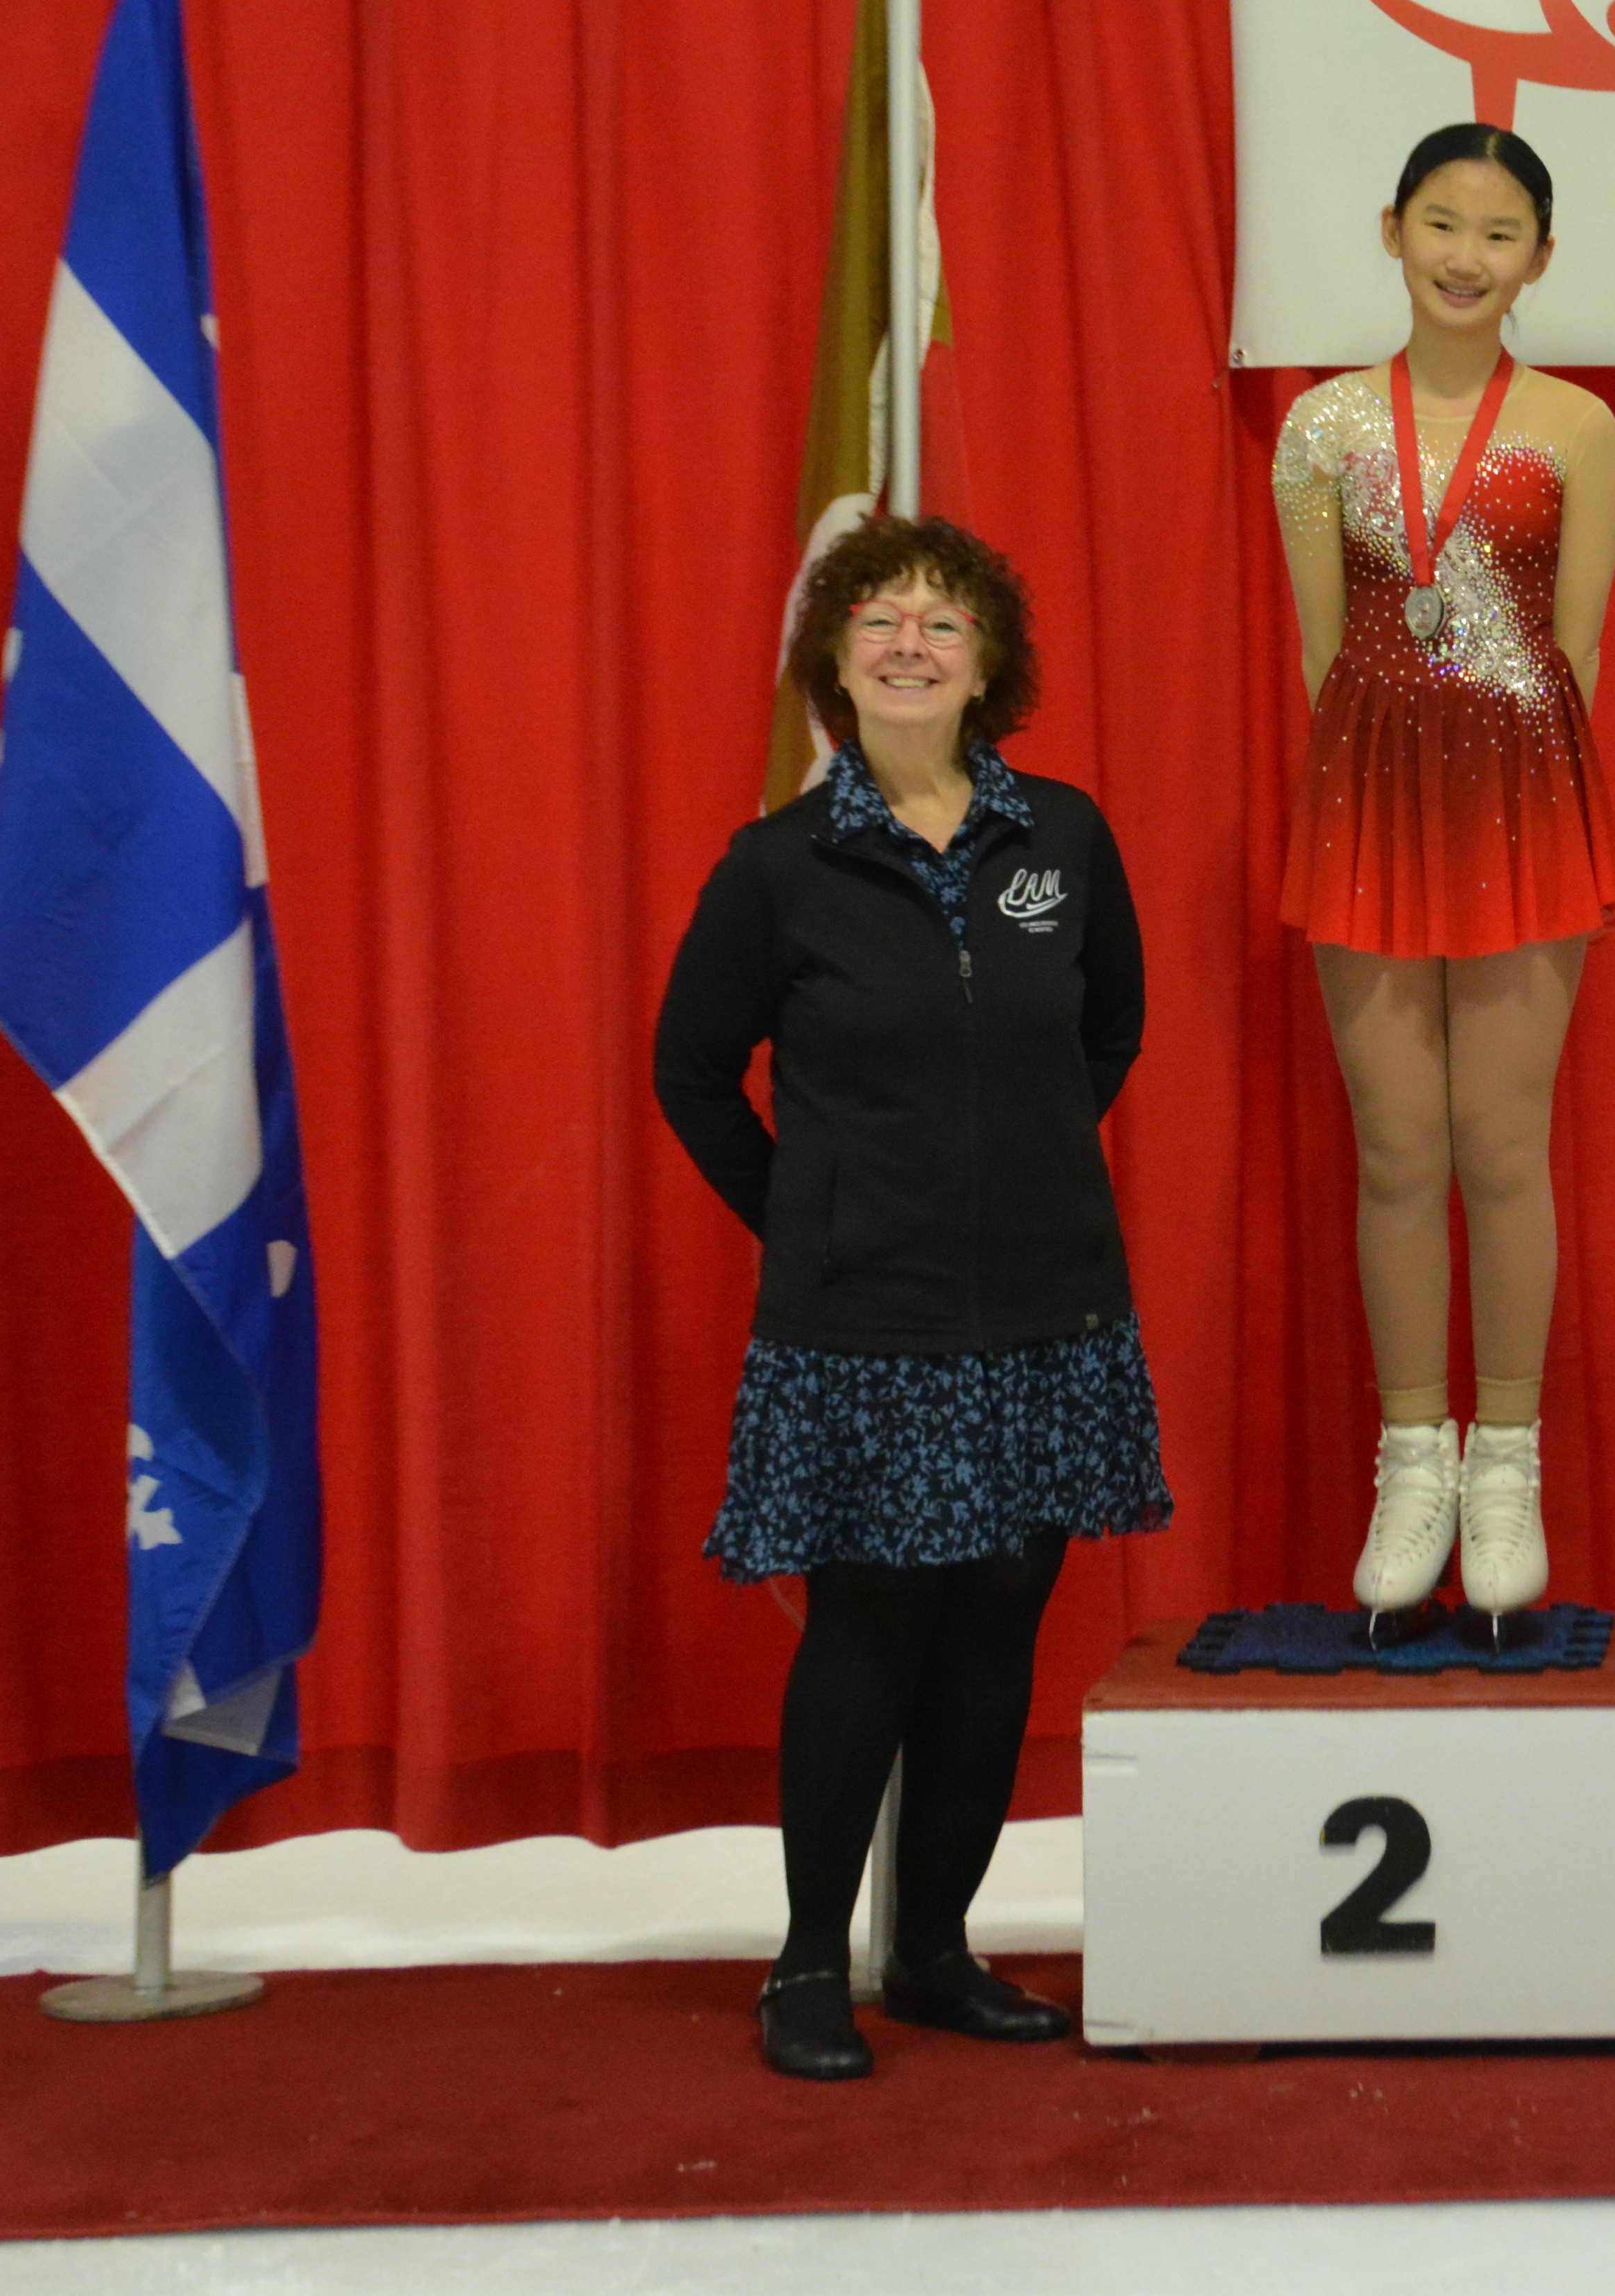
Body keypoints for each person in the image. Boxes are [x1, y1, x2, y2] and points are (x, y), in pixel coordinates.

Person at [655, 517, 1167, 2082]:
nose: (909, 646)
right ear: (835, 657)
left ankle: (936, 1951)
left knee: (997, 1634)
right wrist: (811, 1214)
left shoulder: (1062, 837)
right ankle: (811, 1963)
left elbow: (1110, 1030)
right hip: (864, 1328)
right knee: (868, 1634)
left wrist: (1014, 1175)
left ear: (988, 662)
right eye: (878, 619)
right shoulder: (777, 865)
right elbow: (691, 1074)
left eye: (943, 623)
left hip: (1048, 1314)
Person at [1271, 124, 1615, 1627]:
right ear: (1391, 229)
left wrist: (1513, 791)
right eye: (1440, 222)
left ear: (1539, 257)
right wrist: (1384, 772)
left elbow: (1579, 650)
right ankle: (1412, 1452)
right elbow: (1319, 648)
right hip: (1368, 795)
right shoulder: (1320, 425)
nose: (1465, 256)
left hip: (1525, 802)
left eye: (1498, 232)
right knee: (1397, 1145)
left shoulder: (1579, 427)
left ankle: (1507, 1461)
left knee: (1499, 1141)